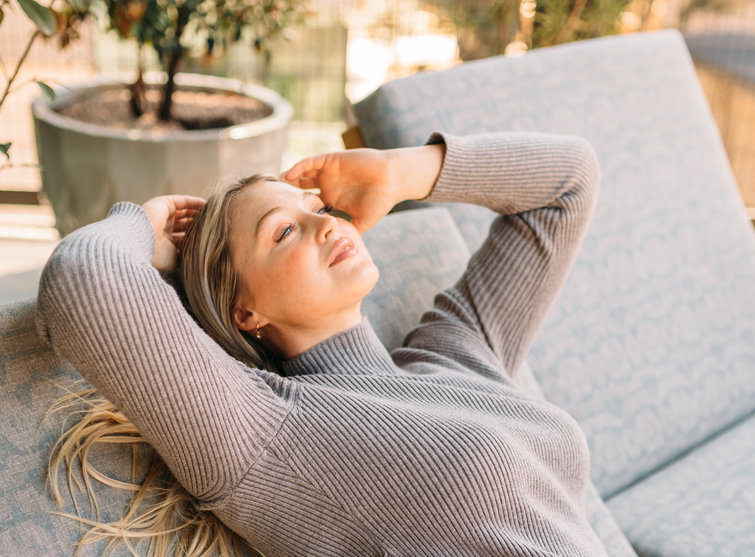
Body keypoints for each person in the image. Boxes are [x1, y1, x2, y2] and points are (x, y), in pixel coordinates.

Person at [37, 131, 604, 557]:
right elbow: (84, 280)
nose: (326, 225)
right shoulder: (268, 430)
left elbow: (568, 182)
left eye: (315, 209)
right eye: (283, 232)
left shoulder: (452, 352)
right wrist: (145, 223)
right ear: (245, 312)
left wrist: (397, 174)